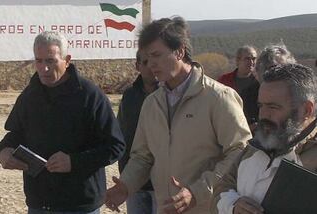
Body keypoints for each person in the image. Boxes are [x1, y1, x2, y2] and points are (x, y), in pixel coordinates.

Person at [105, 16, 252, 214]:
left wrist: (197, 192)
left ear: (180, 51)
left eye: (157, 55)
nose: (151, 65)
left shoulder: (219, 98)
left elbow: (239, 152)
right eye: (147, 58)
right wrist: (126, 185)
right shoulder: (151, 103)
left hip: (208, 208)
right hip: (165, 208)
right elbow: (143, 156)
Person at [0, 31, 125, 214]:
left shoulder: (90, 96)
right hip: (39, 203)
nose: (44, 68)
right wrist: (3, 152)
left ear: (67, 60)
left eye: (50, 61)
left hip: (79, 204)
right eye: (39, 61)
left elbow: (116, 146)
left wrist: (74, 162)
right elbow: (15, 135)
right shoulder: (29, 96)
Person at [212, 63, 317, 214]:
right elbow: (221, 189)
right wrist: (233, 205)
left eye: (273, 107)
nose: (263, 115)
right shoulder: (254, 147)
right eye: (261, 106)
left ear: (306, 110)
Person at [117, 49, 158, 214]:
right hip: (134, 182)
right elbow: (123, 134)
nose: (152, 67)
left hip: (161, 182)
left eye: (154, 61)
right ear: (137, 66)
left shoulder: (169, 95)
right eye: (146, 62)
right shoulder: (130, 96)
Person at [218, 45, 259, 129]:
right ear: (238, 60)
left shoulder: (260, 83)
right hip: (229, 131)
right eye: (247, 59)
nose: (251, 62)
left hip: (255, 133)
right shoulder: (224, 81)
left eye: (254, 59)